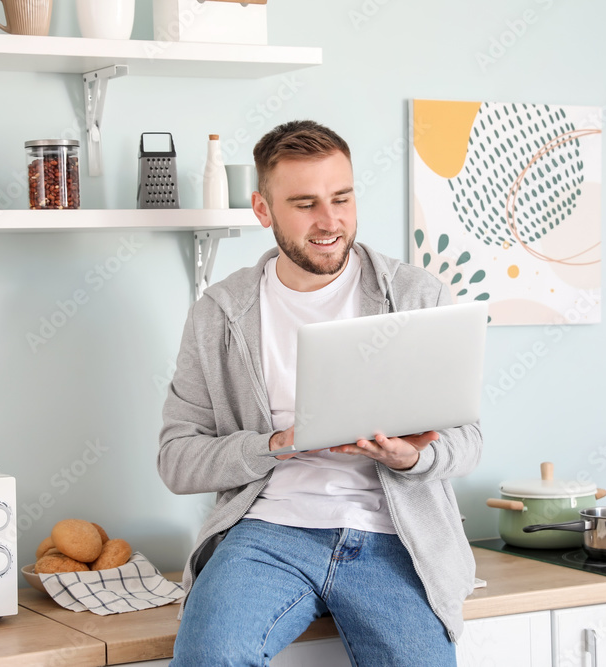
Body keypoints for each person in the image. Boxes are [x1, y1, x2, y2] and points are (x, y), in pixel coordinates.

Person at [158, 120, 482, 666]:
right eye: (305, 203)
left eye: (342, 197)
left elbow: (468, 441)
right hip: (269, 534)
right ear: (263, 210)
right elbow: (177, 462)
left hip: (395, 539)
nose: (330, 221)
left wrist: (412, 457)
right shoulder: (219, 312)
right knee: (208, 658)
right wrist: (274, 444)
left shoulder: (417, 295)